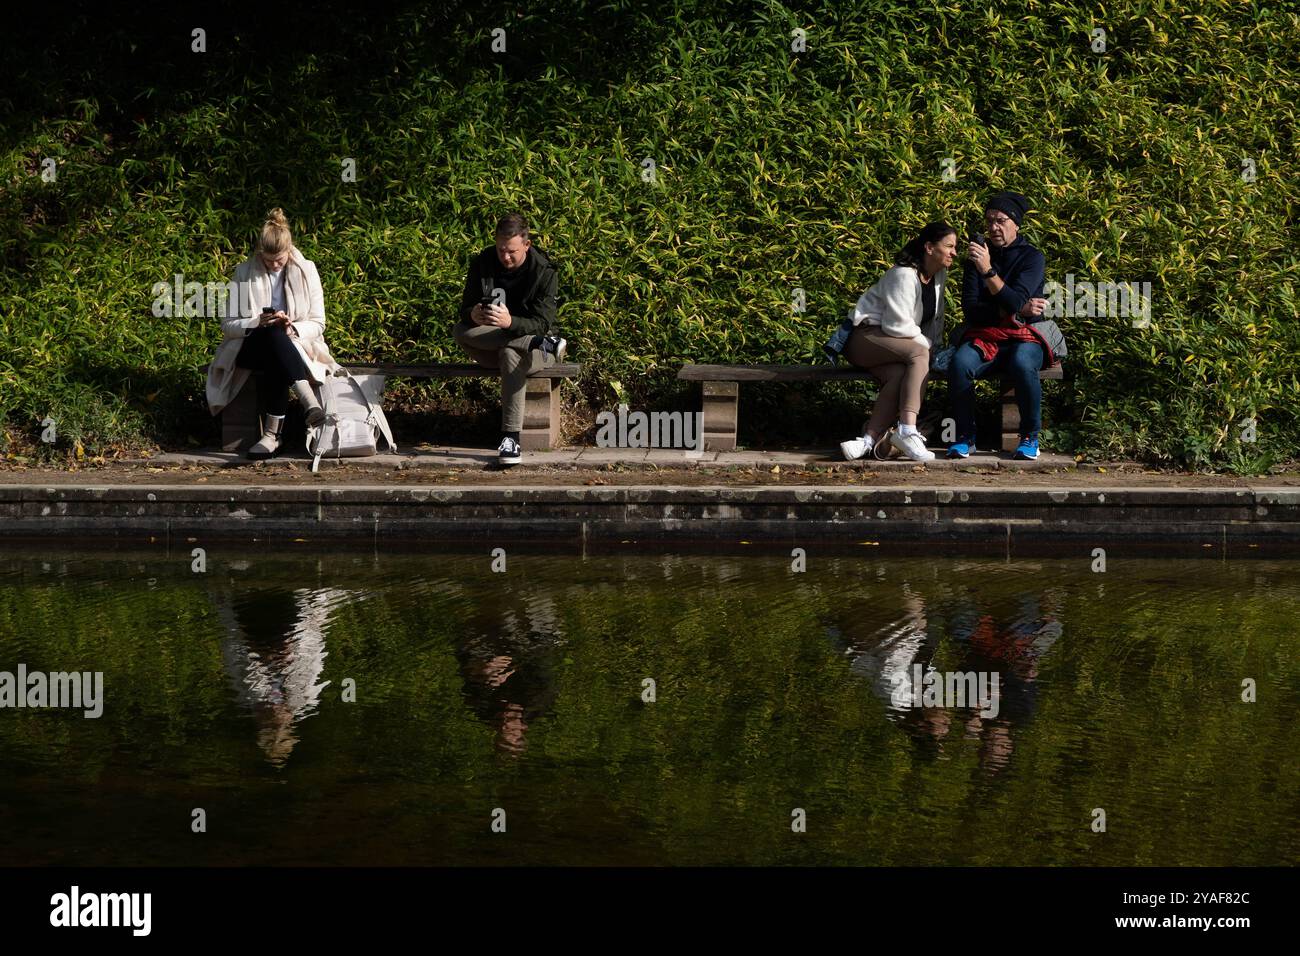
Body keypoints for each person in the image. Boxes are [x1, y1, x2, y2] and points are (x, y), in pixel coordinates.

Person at [205, 208, 341, 459]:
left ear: (289, 250)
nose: (274, 265)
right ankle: (308, 402)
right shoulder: (243, 272)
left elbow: (319, 323)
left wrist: (291, 327)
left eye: (279, 260)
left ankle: (271, 437)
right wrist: (257, 321)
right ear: (260, 253)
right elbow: (227, 324)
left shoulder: (307, 269)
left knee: (277, 346)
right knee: (271, 337)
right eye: (268, 261)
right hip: (250, 347)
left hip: (294, 345)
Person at [947, 191, 1067, 460]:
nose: (993, 227)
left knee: (1023, 363)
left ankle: (1029, 437)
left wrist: (989, 271)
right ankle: (964, 436)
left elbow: (1016, 300)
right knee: (960, 364)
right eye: (989, 221)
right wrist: (1014, 308)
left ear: (1016, 223)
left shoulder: (1032, 257)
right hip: (986, 335)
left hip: (1026, 336)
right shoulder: (976, 258)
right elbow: (972, 309)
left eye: (1000, 220)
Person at [837, 222, 958, 462]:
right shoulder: (903, 274)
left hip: (893, 342)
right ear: (929, 248)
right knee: (919, 354)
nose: (955, 252)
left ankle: (867, 440)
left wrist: (935, 343)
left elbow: (935, 318)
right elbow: (896, 325)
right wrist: (928, 346)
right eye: (949, 246)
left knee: (899, 374)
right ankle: (907, 430)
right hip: (864, 338)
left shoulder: (938, 275)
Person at [454, 213, 566, 467]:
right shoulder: (483, 261)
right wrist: (472, 314)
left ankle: (510, 438)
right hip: (493, 341)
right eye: (501, 249)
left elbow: (542, 323)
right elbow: (464, 312)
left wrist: (510, 323)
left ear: (526, 245)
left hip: (536, 353)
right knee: (460, 331)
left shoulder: (544, 270)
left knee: (509, 354)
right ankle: (537, 342)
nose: (505, 257)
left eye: (512, 251)